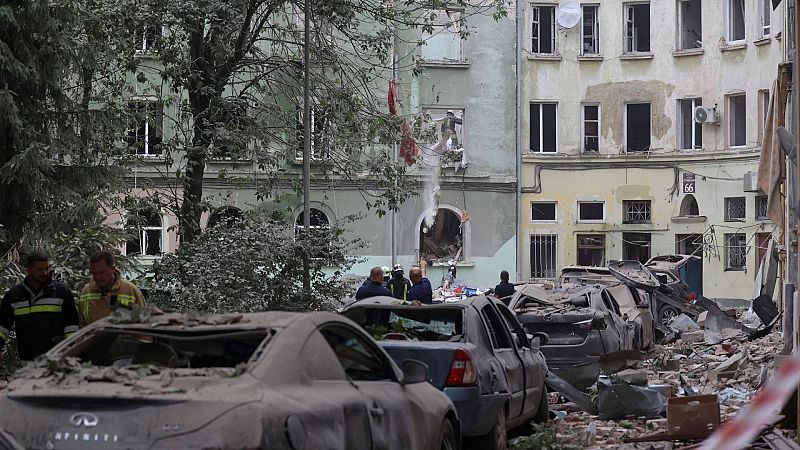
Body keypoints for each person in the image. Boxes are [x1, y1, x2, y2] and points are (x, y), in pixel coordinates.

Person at [0, 251, 80, 361]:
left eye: (47, 268)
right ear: (28, 270)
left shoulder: (61, 293)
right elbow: (3, 327)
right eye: (40, 269)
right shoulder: (14, 296)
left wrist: (73, 351)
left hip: (57, 359)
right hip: (28, 359)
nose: (45, 273)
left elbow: (72, 326)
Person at [78, 251, 146, 327]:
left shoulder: (130, 290)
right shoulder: (86, 292)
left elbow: (144, 322)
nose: (97, 277)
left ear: (113, 269)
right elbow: (82, 324)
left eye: (101, 273)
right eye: (94, 273)